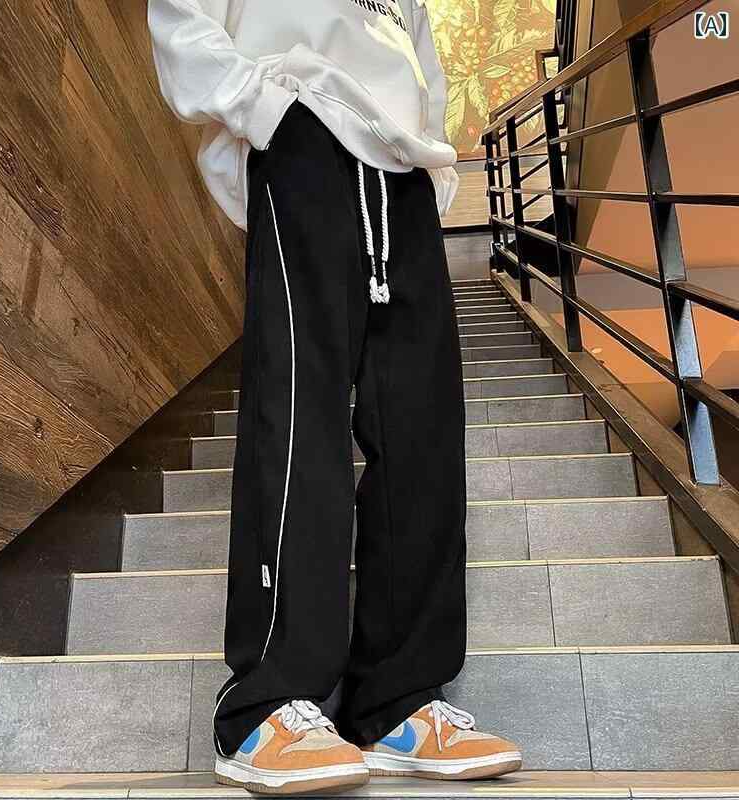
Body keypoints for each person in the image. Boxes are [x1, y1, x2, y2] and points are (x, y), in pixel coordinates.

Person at [148, 0, 522, 794]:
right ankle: (264, 704)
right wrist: (267, 110)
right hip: (304, 137)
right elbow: (181, 20)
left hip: (402, 170)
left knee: (422, 436)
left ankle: (397, 700)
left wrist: (425, 163)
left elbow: (423, 63)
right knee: (300, 417)